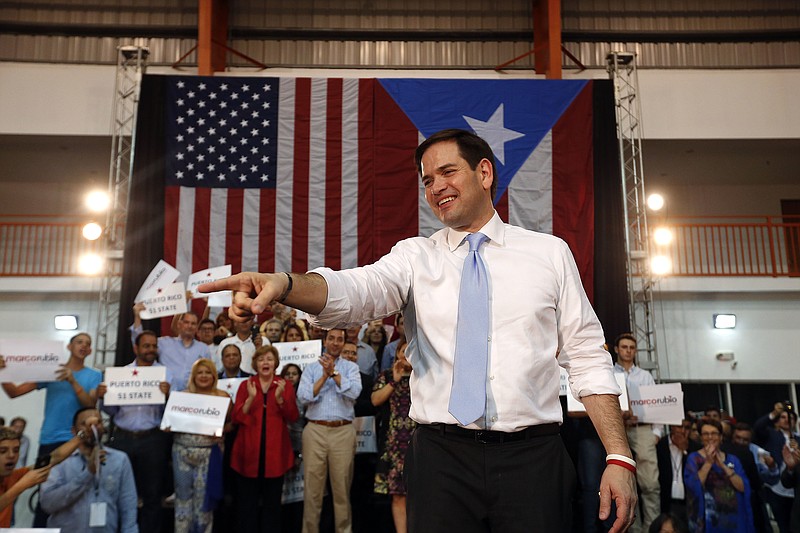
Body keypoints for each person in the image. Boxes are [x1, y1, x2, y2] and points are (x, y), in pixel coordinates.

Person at [199, 128, 636, 532]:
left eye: (448, 172)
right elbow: (355, 291)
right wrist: (287, 285)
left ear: (484, 172)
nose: (436, 187)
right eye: (427, 181)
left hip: (533, 459)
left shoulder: (549, 254)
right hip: (440, 459)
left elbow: (586, 356)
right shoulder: (413, 257)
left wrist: (619, 455)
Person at [1, 332, 103, 527]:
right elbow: (15, 392)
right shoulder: (51, 371)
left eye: (87, 344)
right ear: (69, 347)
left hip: (77, 441)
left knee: (75, 492)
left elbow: (90, 404)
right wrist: (2, 373)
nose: (83, 346)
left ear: (90, 351)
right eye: (79, 342)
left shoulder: (94, 375)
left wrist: (73, 381)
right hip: (48, 440)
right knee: (43, 494)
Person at [98, 330, 172, 533]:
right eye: (146, 346)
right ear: (135, 348)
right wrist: (103, 397)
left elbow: (170, 414)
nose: (151, 350)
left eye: (154, 346)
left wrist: (168, 396)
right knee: (117, 491)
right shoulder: (120, 374)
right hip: (122, 438)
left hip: (153, 439)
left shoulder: (166, 374)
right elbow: (111, 411)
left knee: (153, 494)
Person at [297, 328, 362, 533]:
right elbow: (304, 397)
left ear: (344, 342)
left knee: (342, 490)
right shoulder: (310, 368)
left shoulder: (351, 368)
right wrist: (324, 376)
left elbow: (354, 392)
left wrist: (334, 373)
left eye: (339, 339)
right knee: (312, 492)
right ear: (324, 341)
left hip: (342, 432)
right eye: (331, 338)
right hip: (315, 430)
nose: (335, 343)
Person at [231, 345, 299, 531]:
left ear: (276, 363)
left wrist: (279, 400)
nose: (265, 362)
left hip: (276, 454)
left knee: (272, 505)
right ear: (255, 364)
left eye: (269, 359)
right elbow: (237, 418)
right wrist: (251, 399)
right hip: (248, 453)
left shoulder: (284, 385)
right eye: (261, 359)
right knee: (247, 505)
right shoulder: (247, 385)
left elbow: (293, 416)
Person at [40, 407, 138, 533]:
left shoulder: (120, 459)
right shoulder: (59, 461)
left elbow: (128, 507)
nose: (93, 428)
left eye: (98, 423)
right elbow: (48, 504)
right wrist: (88, 473)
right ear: (74, 431)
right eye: (85, 424)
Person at [171, 359, 231, 533]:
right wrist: (168, 426)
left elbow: (231, 423)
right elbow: (170, 423)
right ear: (194, 376)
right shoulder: (182, 396)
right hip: (182, 453)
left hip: (209, 455)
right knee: (182, 498)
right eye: (200, 372)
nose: (204, 376)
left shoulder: (223, 397)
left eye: (208, 372)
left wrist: (220, 431)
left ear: (214, 375)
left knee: (203, 501)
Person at [0, 421, 95, 526]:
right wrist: (22, 485)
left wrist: (81, 436)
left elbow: (55, 457)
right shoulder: (17, 480)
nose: (11, 455)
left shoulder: (12, 476)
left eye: (16, 450)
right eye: (3, 451)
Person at [614, 332, 662, 531]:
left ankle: (654, 528)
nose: (628, 351)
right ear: (617, 349)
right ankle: (633, 530)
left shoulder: (645, 376)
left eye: (632, 348)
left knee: (650, 484)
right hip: (619, 430)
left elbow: (657, 405)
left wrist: (657, 433)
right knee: (627, 486)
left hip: (643, 429)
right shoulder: (608, 373)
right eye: (624, 347)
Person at [371, 341, 415, 533]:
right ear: (397, 354)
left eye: (410, 352)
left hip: (419, 444)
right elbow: (375, 400)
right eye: (403, 351)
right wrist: (394, 380)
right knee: (398, 495)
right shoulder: (387, 375)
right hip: (393, 444)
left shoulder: (423, 377)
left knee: (421, 494)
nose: (406, 355)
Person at [683, 419, 754, 533]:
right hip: (708, 520)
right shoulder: (693, 458)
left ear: (721, 437)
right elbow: (693, 486)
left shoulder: (733, 460)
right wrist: (709, 463)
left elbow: (743, 487)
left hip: (734, 520)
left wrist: (723, 465)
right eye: (705, 434)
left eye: (714, 433)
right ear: (701, 437)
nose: (710, 437)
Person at [130, 305, 211, 391]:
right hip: (167, 394)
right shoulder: (164, 343)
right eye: (186, 322)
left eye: (193, 323)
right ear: (179, 324)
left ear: (197, 328)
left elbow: (209, 373)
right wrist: (137, 316)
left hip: (194, 395)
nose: (190, 326)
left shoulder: (204, 348)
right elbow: (141, 341)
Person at [753, 402, 800, 533]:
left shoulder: (798, 438)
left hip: (795, 489)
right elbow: (758, 428)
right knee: (784, 525)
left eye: (790, 418)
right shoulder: (771, 434)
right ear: (777, 421)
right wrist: (774, 414)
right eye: (783, 417)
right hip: (777, 488)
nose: (786, 420)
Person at [656, 419, 699, 521]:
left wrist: (685, 450)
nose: (683, 431)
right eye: (680, 426)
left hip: (689, 503)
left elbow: (696, 473)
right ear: (672, 426)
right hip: (665, 501)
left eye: (687, 428)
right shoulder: (660, 445)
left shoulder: (694, 447)